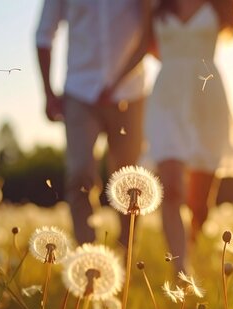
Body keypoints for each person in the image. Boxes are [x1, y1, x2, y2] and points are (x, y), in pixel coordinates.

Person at [111, 0, 233, 273]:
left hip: (207, 100)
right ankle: (181, 270)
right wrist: (112, 86)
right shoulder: (157, 8)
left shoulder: (220, 7)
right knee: (172, 187)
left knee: (199, 205)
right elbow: (141, 47)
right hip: (168, 100)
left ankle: (191, 243)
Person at [35, 0, 151, 248]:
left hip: (130, 92)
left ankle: (126, 250)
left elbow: (150, 28)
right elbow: (44, 34)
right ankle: (88, 257)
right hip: (80, 91)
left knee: (131, 179)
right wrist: (47, 92)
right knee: (79, 173)